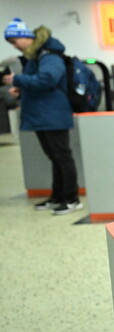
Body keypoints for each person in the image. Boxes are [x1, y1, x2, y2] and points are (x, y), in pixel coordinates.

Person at [2, 18, 82, 215]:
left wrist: (17, 79)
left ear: (26, 37)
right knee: (54, 157)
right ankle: (58, 196)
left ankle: (72, 198)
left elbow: (48, 79)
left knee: (62, 157)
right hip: (43, 114)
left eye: (14, 41)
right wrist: (21, 90)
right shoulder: (37, 56)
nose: (15, 46)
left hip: (52, 114)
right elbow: (40, 83)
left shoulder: (49, 55)